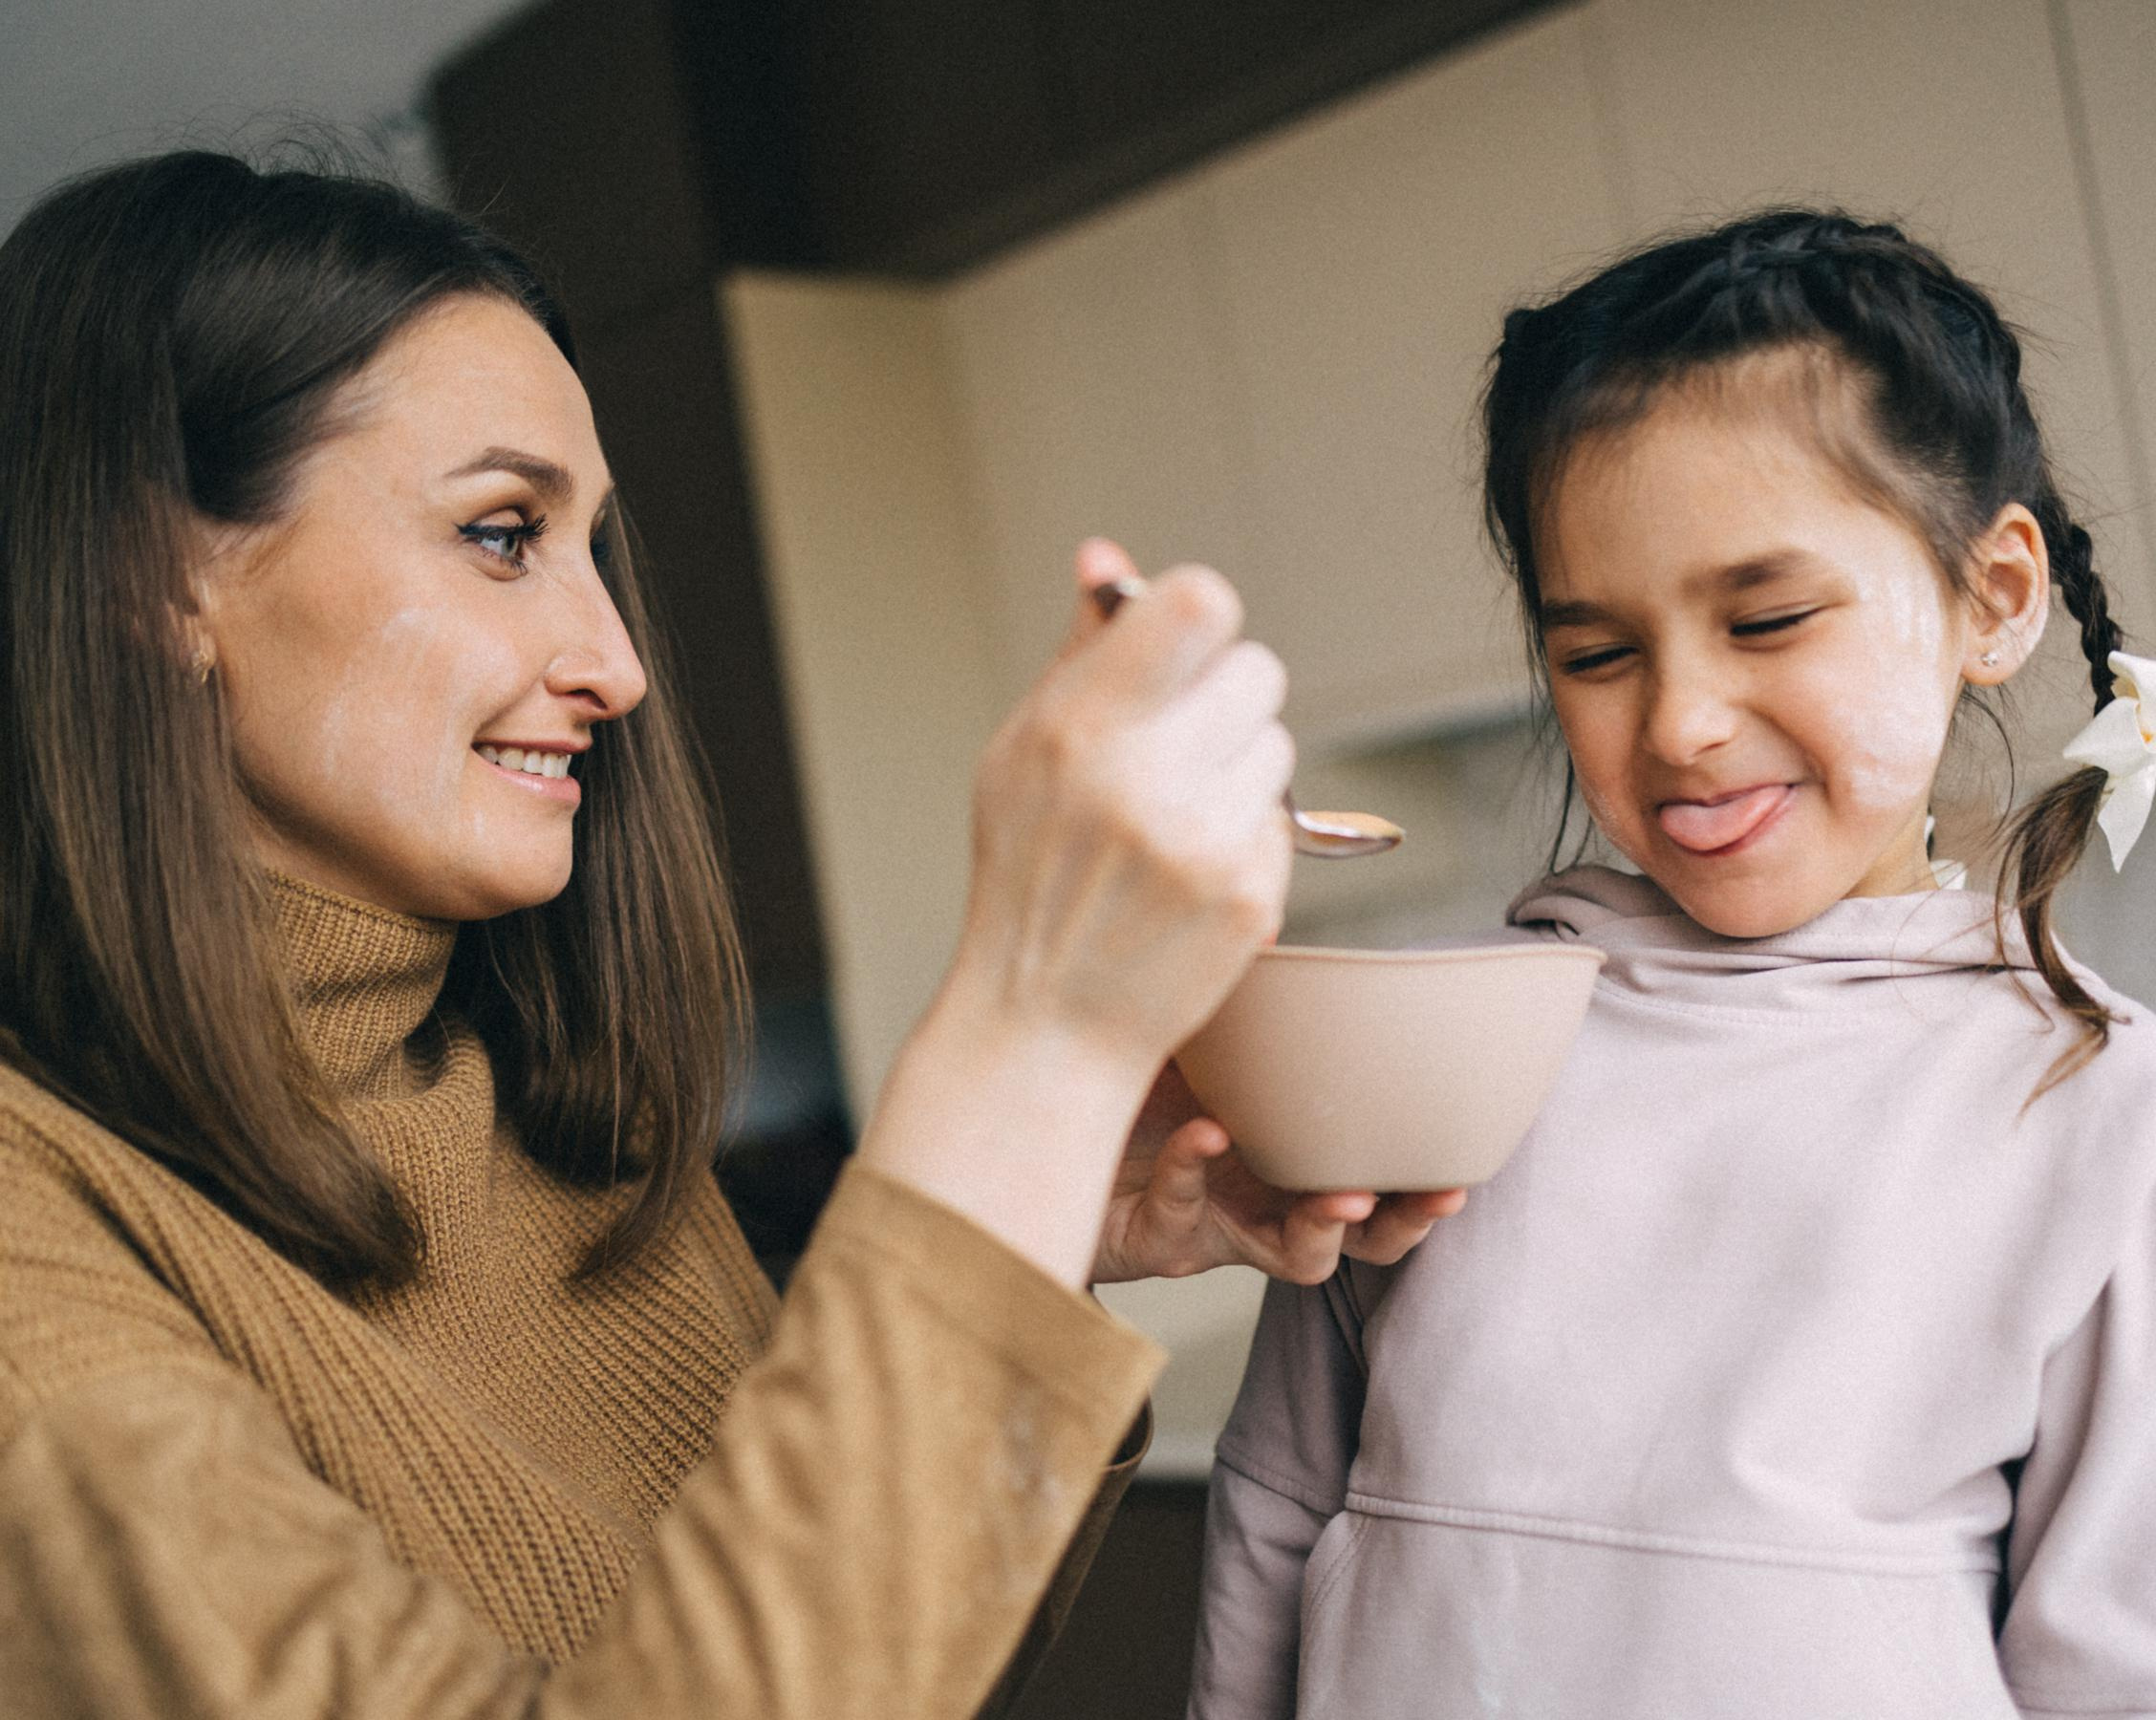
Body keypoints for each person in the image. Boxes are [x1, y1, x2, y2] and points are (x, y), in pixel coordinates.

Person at [0, 150, 1462, 1719]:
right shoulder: (38, 1234)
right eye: (502, 533)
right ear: (155, 572)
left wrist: (1046, 1226)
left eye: (593, 549)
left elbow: (863, 1668)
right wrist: (1027, 1042)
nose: (616, 664)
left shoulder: (562, 1119)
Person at [1189, 210, 2156, 1717]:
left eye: (1766, 619)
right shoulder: (1440, 1050)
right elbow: (1270, 1527)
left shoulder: (2111, 1110)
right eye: (1596, 653)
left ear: (1994, 598)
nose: (1681, 723)